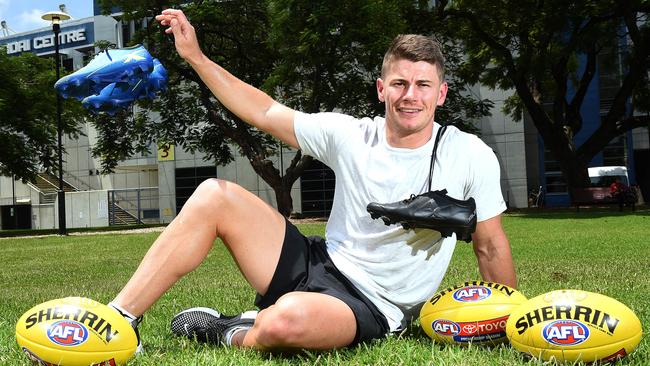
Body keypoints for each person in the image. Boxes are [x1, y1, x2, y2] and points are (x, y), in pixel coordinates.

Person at [107, 8, 517, 352]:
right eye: (400, 83)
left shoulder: (469, 155)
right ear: (381, 89)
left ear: (440, 94)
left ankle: (229, 329)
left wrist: (510, 325)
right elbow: (264, 112)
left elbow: (490, 243)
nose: (411, 95)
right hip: (315, 260)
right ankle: (119, 320)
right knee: (214, 194)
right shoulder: (352, 135)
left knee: (284, 324)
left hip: (370, 304)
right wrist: (195, 56)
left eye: (423, 85)